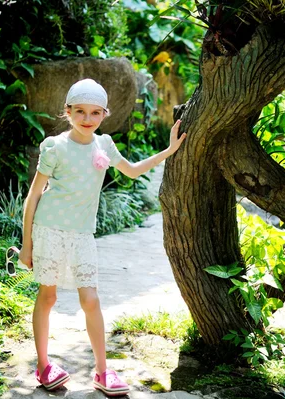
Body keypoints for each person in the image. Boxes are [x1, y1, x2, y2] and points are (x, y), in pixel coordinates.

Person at [17, 78, 186, 396]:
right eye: (79, 111)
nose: (87, 118)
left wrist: (170, 149)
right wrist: (27, 244)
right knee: (48, 296)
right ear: (67, 112)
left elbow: (133, 171)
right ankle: (43, 366)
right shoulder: (55, 146)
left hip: (82, 235)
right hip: (49, 230)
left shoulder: (104, 145)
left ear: (104, 114)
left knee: (91, 300)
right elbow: (33, 196)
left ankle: (103, 371)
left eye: (95, 113)